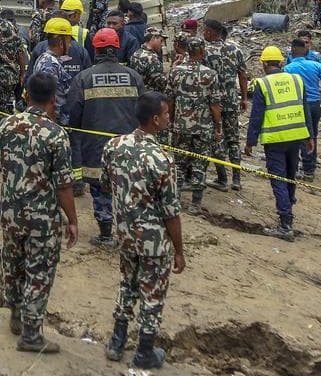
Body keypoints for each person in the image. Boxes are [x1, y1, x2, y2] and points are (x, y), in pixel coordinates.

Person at [0, 71, 78, 353]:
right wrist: (73, 221)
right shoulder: (56, 135)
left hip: (10, 213)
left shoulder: (5, 125)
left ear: (26, 95)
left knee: (14, 266)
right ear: (54, 98)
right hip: (42, 219)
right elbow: (64, 185)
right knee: (39, 272)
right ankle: (30, 335)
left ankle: (15, 314)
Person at [102, 91, 184, 368]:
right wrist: (180, 250)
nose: (169, 117)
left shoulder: (114, 146)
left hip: (125, 234)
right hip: (153, 241)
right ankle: (144, 351)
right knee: (152, 294)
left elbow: (104, 183)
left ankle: (117, 341)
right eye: (166, 114)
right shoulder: (162, 160)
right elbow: (171, 212)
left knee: (127, 285)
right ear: (155, 119)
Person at [64, 28, 142, 248]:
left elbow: (73, 113)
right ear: (116, 49)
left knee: (100, 187)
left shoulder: (84, 78)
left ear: (96, 49)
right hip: (129, 145)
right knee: (127, 188)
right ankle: (130, 234)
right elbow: (142, 111)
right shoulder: (134, 77)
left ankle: (106, 234)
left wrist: (78, 134)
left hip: (95, 145)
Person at [244, 46, 310, 241]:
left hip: (275, 139)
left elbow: (256, 116)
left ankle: (285, 223)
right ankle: (288, 208)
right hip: (296, 135)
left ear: (264, 63)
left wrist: (250, 142)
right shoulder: (297, 80)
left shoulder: (262, 84)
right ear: (281, 62)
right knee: (290, 176)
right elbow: (305, 108)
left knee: (278, 178)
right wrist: (310, 137)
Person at [167, 36, 222, 215]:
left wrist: (171, 120)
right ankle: (195, 204)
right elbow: (214, 104)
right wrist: (218, 125)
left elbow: (170, 99)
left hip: (181, 125)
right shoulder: (210, 74)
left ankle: (174, 200)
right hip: (203, 127)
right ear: (202, 51)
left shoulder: (175, 72)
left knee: (179, 163)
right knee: (200, 164)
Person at [283, 38, 321, 181]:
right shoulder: (315, 65)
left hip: (299, 106)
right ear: (306, 51)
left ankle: (302, 168)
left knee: (299, 136)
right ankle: (310, 169)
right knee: (312, 136)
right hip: (315, 106)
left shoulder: (288, 69)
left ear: (292, 52)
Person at [203, 20, 249, 191]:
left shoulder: (204, 51)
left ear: (209, 32)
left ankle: (222, 178)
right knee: (233, 139)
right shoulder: (235, 49)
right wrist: (244, 98)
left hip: (212, 104)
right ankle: (236, 179)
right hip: (231, 102)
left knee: (216, 139)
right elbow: (243, 75)